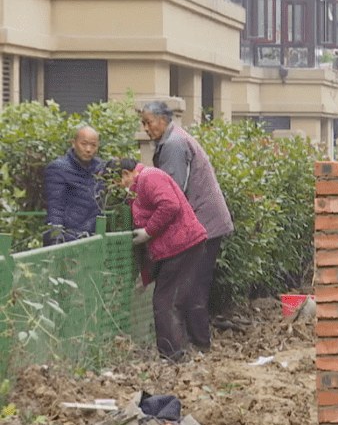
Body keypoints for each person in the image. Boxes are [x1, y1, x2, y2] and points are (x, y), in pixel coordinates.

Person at [140, 101, 233, 352]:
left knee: (192, 291)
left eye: (149, 122)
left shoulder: (173, 145)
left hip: (203, 225)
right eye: (143, 123)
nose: (146, 128)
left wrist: (149, 229)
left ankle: (200, 347)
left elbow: (172, 195)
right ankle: (198, 346)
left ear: (163, 120)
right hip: (206, 222)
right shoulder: (174, 140)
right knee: (192, 289)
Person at [111, 158, 207, 362]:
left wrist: (148, 231)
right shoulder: (141, 185)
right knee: (170, 301)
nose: (119, 187)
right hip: (178, 247)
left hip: (182, 245)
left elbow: (169, 204)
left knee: (165, 302)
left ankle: (173, 357)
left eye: (118, 182)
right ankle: (177, 354)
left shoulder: (149, 177)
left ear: (127, 174)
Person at [43, 125, 105, 245]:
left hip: (94, 236)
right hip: (68, 237)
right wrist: (56, 235)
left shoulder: (101, 167)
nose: (88, 149)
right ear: (73, 143)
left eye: (93, 145)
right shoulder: (59, 168)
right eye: (84, 144)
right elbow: (55, 205)